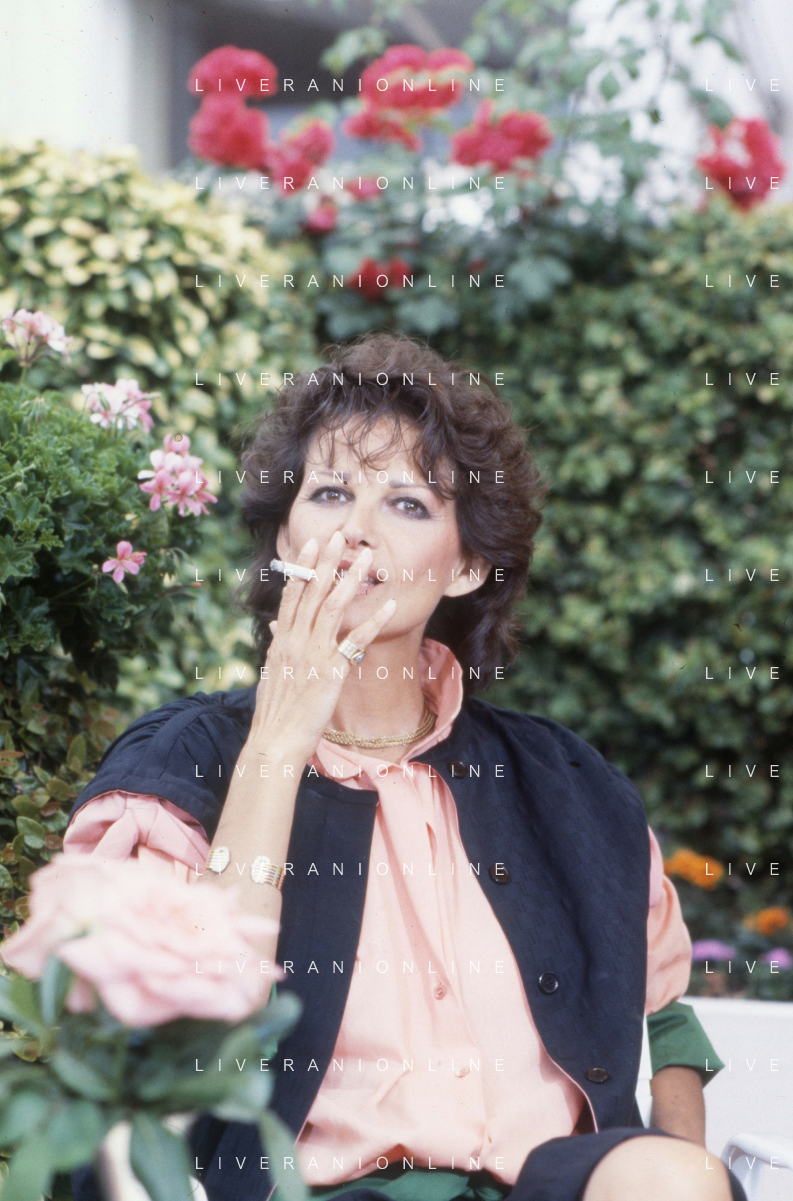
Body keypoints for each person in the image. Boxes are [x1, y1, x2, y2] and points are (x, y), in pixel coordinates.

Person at [66, 334, 745, 1201]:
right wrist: (276, 745)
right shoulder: (180, 763)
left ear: (465, 564)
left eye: (407, 503)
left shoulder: (564, 782)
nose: (356, 529)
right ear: (285, 534)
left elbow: (665, 1017)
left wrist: (684, 1163)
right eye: (329, 492)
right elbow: (173, 1026)